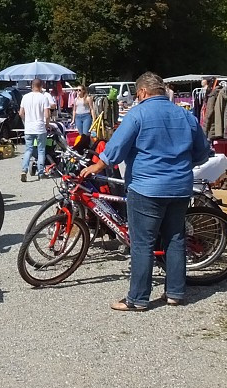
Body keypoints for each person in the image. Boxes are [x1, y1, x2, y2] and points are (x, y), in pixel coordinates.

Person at [80, 72, 211, 311]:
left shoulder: (138, 114)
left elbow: (116, 147)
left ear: (141, 92)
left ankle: (138, 298)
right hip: (180, 187)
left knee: (142, 243)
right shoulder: (185, 115)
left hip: (147, 187)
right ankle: (175, 293)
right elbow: (203, 152)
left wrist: (98, 165)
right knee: (175, 238)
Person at [19, 78, 52, 182]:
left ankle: (24, 170)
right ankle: (41, 172)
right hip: (40, 127)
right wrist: (47, 124)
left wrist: (26, 121)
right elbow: (47, 115)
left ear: (31, 86)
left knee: (28, 149)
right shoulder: (43, 98)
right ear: (41, 86)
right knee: (41, 150)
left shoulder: (25, 97)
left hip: (29, 127)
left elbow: (20, 113)